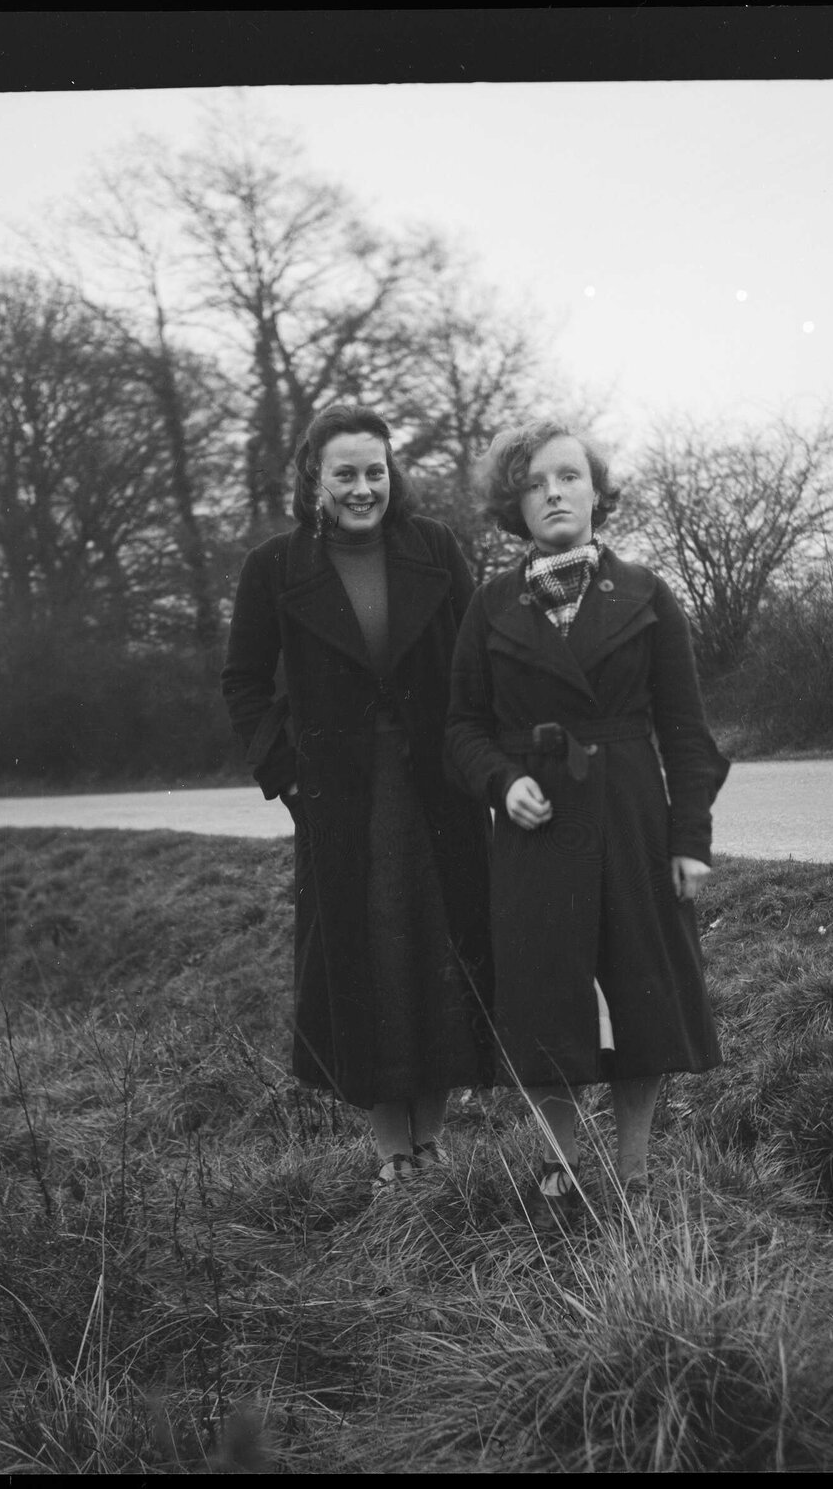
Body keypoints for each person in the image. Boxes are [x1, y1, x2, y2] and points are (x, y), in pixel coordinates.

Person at [444, 420, 730, 1208]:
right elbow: (459, 729)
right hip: (536, 837)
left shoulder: (645, 594)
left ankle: (635, 1171)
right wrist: (502, 782)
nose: (554, 493)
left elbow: (687, 733)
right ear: (516, 505)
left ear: (595, 491)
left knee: (641, 995)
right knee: (547, 999)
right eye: (534, 484)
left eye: (568, 477)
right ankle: (558, 1168)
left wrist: (689, 839)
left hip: (633, 822)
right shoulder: (490, 606)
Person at [222, 404, 493, 1196]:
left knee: (442, 952)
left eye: (374, 470)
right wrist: (287, 772)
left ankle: (432, 1144)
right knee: (365, 960)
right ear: (313, 477)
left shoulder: (434, 547)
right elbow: (243, 682)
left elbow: (474, 662)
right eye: (345, 472)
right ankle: (390, 1153)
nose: (363, 487)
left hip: (437, 790)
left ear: (391, 473)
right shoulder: (274, 567)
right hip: (340, 801)